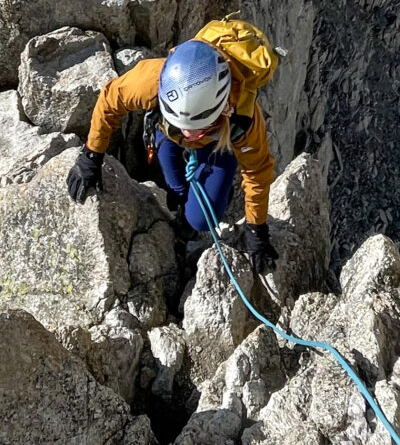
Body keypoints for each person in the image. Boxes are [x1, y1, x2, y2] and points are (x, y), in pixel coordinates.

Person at [65, 31, 279, 272]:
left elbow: (257, 172)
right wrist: (92, 155)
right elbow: (110, 99)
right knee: (174, 184)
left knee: (201, 220)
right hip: (166, 132)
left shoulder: (242, 117)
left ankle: (191, 216)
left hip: (220, 144)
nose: (188, 135)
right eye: (184, 126)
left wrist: (256, 229)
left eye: (199, 127)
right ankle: (180, 206)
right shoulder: (151, 81)